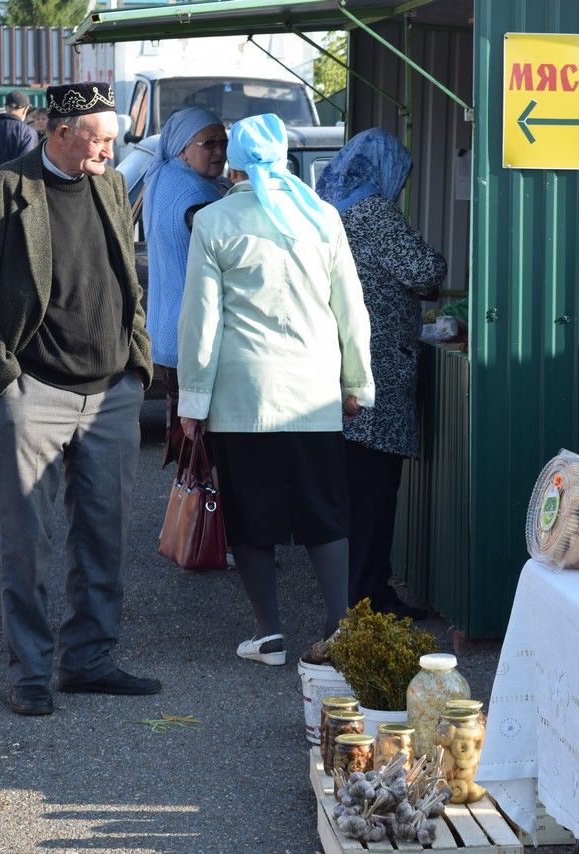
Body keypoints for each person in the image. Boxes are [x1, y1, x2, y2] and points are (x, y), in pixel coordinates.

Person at [0, 81, 159, 717]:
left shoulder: (112, 187)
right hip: (33, 392)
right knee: (26, 542)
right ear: (58, 133)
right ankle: (31, 674)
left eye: (114, 141)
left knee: (104, 536)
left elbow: (126, 280)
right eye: (99, 140)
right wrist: (5, 382)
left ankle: (88, 660)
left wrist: (136, 365)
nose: (110, 153)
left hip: (112, 392)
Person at [176, 113, 374, 668]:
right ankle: (340, 628)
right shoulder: (323, 217)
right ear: (284, 156)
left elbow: (201, 323)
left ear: (234, 161)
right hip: (314, 394)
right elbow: (351, 312)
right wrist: (356, 383)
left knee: (251, 514)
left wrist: (193, 402)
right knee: (325, 511)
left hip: (244, 398)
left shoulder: (214, 222)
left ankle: (269, 635)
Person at [315, 128, 446, 625]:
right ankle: (367, 599)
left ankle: (354, 592)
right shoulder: (373, 213)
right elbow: (424, 270)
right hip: (376, 376)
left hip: (338, 370)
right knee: (372, 494)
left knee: (349, 495)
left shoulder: (330, 210)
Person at [143, 106, 229, 464]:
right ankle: (197, 520)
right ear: (182, 147)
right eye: (208, 143)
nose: (219, 152)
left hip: (165, 335)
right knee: (204, 456)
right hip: (193, 339)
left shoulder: (161, 177)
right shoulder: (197, 195)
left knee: (189, 451)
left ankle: (190, 516)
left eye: (224, 143)